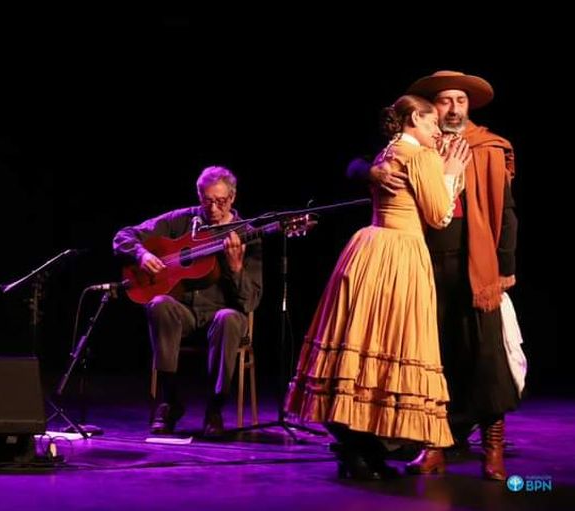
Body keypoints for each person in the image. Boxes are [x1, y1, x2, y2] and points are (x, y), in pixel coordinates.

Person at [285, 95, 469, 479]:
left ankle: (360, 450)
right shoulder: (421, 155)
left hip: (370, 247)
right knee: (387, 345)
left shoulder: (389, 150)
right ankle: (360, 450)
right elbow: (439, 216)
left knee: (366, 348)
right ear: (413, 119)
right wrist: (451, 173)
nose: (438, 129)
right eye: (431, 120)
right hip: (399, 254)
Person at [354, 71, 519, 480]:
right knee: (431, 355)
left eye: (461, 101)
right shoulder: (419, 144)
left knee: (485, 356)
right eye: (445, 101)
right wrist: (369, 173)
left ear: (469, 107)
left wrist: (506, 268)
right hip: (424, 261)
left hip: (474, 261)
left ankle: (492, 448)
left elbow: (507, 211)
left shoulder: (487, 147)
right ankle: (434, 446)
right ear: (432, 108)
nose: (453, 108)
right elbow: (357, 162)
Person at [113, 165, 262, 436]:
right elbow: (123, 236)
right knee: (159, 304)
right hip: (185, 313)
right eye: (207, 200)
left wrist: (237, 268)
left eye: (221, 201)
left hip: (224, 315)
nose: (213, 208)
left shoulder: (246, 234)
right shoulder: (182, 220)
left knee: (227, 319)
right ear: (199, 196)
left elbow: (250, 301)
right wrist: (142, 255)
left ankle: (215, 409)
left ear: (233, 197)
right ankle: (170, 400)